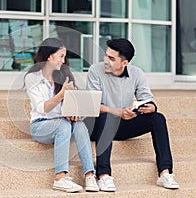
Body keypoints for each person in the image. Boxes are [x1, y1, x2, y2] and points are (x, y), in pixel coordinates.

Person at [86, 38, 179, 192]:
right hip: (99, 126)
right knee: (106, 116)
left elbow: (146, 97)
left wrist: (151, 107)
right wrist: (117, 112)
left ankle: (165, 173)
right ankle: (103, 175)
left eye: (111, 58)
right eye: (105, 56)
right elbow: (92, 105)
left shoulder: (137, 73)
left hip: (123, 123)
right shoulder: (95, 71)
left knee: (158, 118)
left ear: (125, 62)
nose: (105, 61)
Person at [24, 37, 99, 193]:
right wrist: (62, 94)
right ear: (49, 56)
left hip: (63, 125)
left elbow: (73, 107)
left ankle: (90, 175)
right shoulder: (32, 78)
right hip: (40, 126)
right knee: (63, 125)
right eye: (61, 56)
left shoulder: (63, 76)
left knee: (78, 125)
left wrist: (76, 114)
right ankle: (60, 178)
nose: (63, 61)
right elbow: (43, 108)